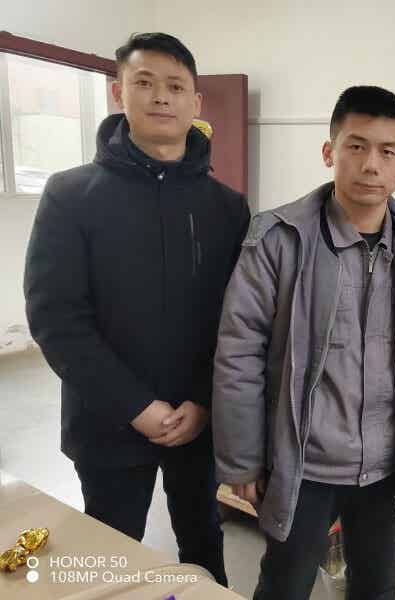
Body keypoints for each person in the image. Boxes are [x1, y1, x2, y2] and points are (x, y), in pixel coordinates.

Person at [213, 85, 395, 600]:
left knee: (376, 585)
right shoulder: (278, 240)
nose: (371, 164)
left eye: (387, 151)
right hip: (304, 461)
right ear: (330, 151)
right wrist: (242, 459)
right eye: (356, 146)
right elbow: (239, 352)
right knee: (285, 585)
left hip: (387, 462)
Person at [24, 32, 250, 586]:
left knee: (203, 546)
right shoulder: (71, 195)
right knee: (110, 556)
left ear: (196, 102)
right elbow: (56, 318)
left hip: (198, 421)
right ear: (118, 92)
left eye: (176, 86)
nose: (161, 97)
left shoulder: (226, 207)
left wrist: (202, 400)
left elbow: (238, 320)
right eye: (145, 82)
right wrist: (135, 406)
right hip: (107, 421)